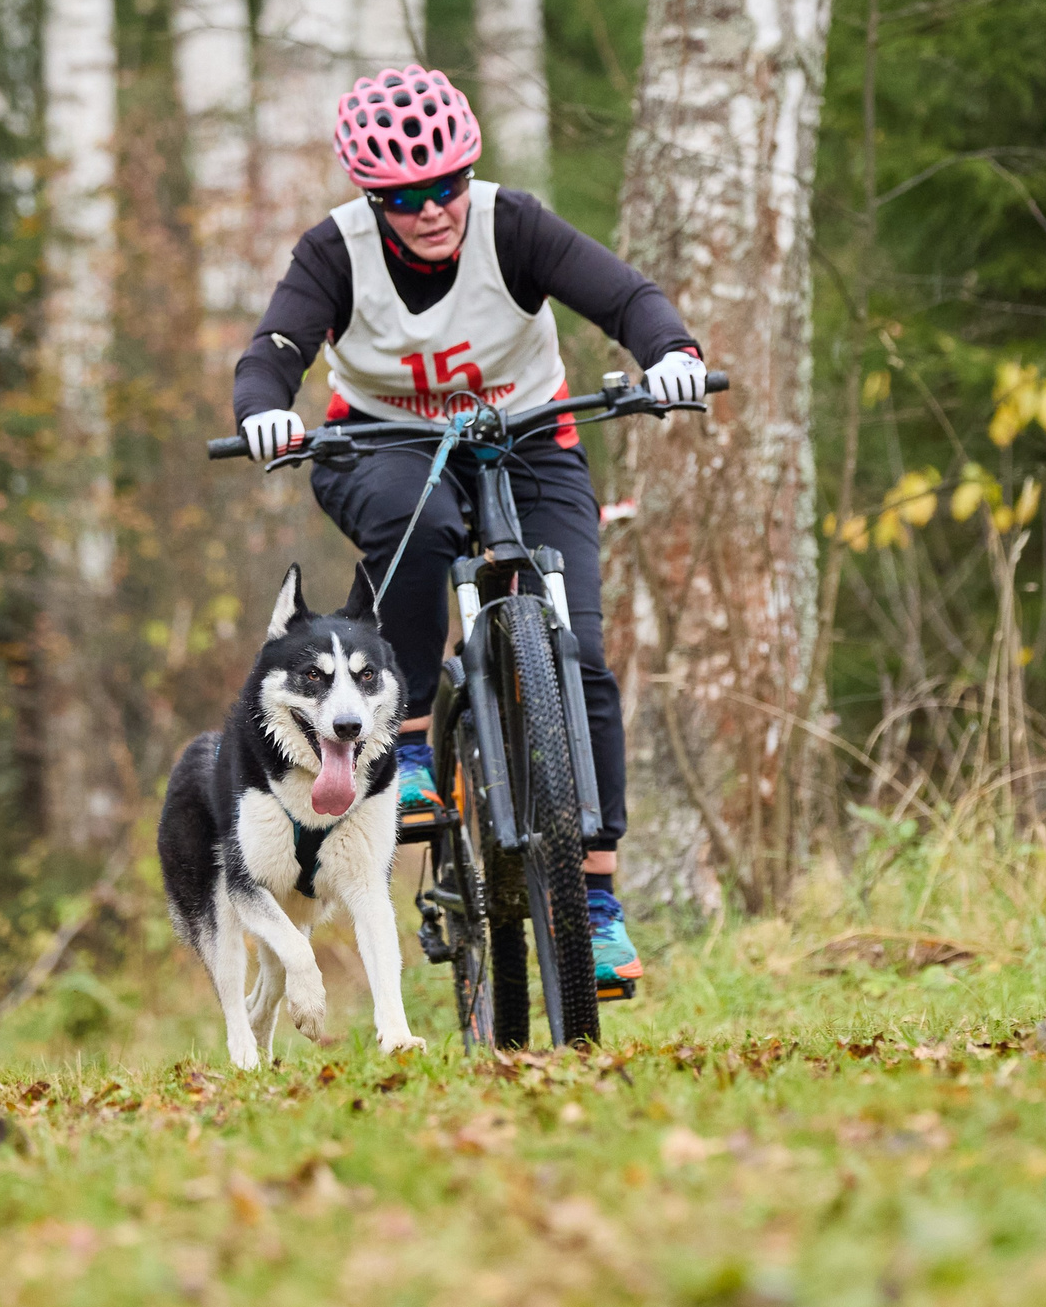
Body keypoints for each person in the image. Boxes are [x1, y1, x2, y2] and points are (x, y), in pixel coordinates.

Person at [234, 66, 706, 991]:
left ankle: (598, 907)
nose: (434, 210)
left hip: (530, 442)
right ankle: (406, 743)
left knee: (583, 652)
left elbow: (625, 297)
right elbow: (276, 348)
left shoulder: (512, 224)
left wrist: (673, 352)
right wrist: (263, 409)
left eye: (447, 185)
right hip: (380, 444)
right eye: (408, 197)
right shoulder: (336, 252)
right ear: (376, 197)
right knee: (419, 521)